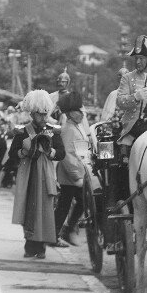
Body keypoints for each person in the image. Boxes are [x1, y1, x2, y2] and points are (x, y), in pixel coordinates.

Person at [4, 89, 66, 259]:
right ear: (32, 113)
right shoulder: (23, 130)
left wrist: (50, 150)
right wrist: (24, 152)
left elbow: (61, 153)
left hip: (46, 173)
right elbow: (12, 153)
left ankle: (41, 247)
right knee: (28, 208)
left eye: (45, 114)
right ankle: (30, 245)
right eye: (39, 114)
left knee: (45, 210)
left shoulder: (53, 130)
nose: (43, 117)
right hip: (28, 172)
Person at [53, 91, 88, 247]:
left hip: (78, 174)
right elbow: (67, 155)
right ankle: (61, 232)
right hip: (71, 176)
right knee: (66, 206)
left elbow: (81, 153)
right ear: (69, 113)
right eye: (77, 111)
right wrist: (76, 176)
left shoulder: (76, 127)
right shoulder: (68, 129)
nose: (81, 113)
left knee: (66, 205)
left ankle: (59, 232)